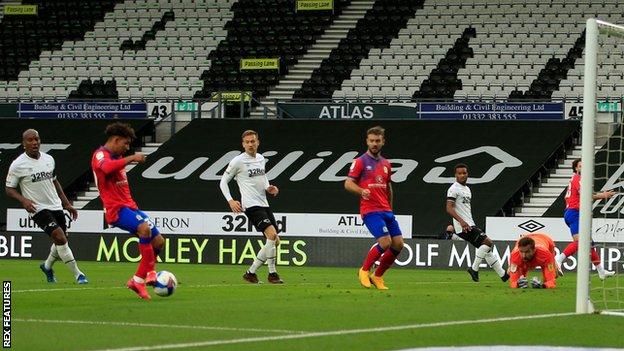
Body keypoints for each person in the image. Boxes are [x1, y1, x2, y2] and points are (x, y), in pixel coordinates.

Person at [91, 122, 164, 300]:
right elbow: (106, 168)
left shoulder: (117, 157)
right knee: (144, 229)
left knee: (159, 242)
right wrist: (132, 158)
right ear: (116, 140)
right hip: (115, 209)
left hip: (130, 206)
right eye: (125, 143)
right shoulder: (101, 154)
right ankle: (142, 278)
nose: (127, 147)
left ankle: (141, 277)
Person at [5, 129, 87, 284]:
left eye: (36, 139)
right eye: (30, 140)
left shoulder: (49, 159)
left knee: (61, 241)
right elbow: (9, 189)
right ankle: (78, 274)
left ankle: (47, 266)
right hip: (37, 208)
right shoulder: (18, 165)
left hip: (56, 205)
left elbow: (55, 181)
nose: (34, 142)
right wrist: (23, 200)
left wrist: (67, 204)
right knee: (60, 237)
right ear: (24, 144)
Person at [220, 130, 283, 284]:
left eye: (253, 141)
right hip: (251, 205)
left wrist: (269, 188)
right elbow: (222, 182)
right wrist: (230, 200)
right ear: (243, 144)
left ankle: (251, 272)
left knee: (275, 241)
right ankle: (272, 274)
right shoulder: (238, 161)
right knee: (272, 235)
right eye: (247, 142)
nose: (250, 144)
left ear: (258, 142)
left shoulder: (261, 158)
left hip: (264, 203)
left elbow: (262, 177)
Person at [346, 126, 403, 290]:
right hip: (370, 210)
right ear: (367, 141)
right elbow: (348, 183)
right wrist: (360, 190)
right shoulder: (360, 162)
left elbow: (388, 187)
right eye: (371, 141)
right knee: (385, 242)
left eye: (377, 141)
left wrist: (391, 208)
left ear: (383, 142)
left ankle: (377, 276)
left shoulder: (386, 164)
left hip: (386, 210)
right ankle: (364, 270)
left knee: (398, 244)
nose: (374, 144)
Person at [446, 163, 509, 283]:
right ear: (455, 175)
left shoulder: (467, 189)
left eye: (464, 173)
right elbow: (449, 208)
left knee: (486, 249)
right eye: (459, 173)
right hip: (463, 226)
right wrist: (462, 222)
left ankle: (503, 275)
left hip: (470, 223)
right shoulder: (453, 189)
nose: (462, 175)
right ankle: (474, 269)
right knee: (488, 242)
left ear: (467, 174)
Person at [555, 158, 615, 280]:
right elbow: (586, 196)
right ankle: (559, 258)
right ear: (576, 168)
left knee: (588, 244)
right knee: (581, 242)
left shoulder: (577, 180)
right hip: (574, 213)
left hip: (574, 213)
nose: (583, 168)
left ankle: (601, 271)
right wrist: (604, 195)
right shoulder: (577, 178)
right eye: (580, 166)